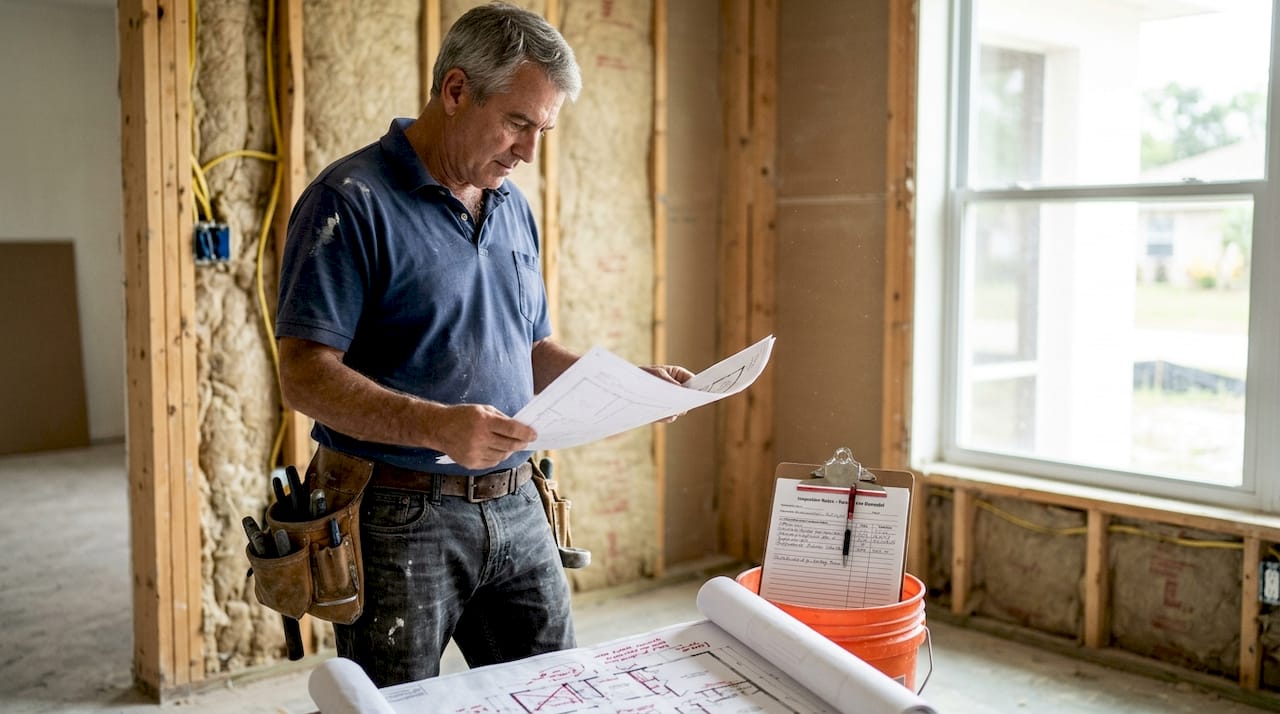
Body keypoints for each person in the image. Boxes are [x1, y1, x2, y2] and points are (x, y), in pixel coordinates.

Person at [274, 1, 692, 688]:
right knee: (397, 706)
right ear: (457, 90)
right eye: (518, 122)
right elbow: (304, 376)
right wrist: (436, 425)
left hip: (519, 501)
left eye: (543, 129)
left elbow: (529, 353)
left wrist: (627, 386)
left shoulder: (512, 205)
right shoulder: (349, 201)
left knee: (553, 695)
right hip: (398, 517)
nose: (529, 150)